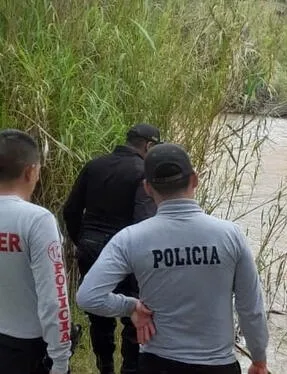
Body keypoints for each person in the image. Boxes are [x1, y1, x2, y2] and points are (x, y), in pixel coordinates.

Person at [76, 143, 270, 374]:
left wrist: (130, 307)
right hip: (218, 365)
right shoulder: (230, 235)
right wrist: (259, 359)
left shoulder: (130, 238)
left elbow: (88, 297)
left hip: (157, 364)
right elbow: (251, 309)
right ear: (195, 180)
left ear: (147, 187)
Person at [62, 123, 162, 374]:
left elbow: (71, 210)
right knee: (134, 317)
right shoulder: (143, 173)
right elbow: (145, 222)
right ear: (148, 146)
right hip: (127, 254)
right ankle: (129, 368)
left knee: (100, 316)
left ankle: (105, 368)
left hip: (91, 248)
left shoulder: (95, 165)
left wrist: (82, 242)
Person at [0, 129, 73, 374]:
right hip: (28, 348)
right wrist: (61, 360)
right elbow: (54, 298)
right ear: (31, 171)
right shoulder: (37, 220)